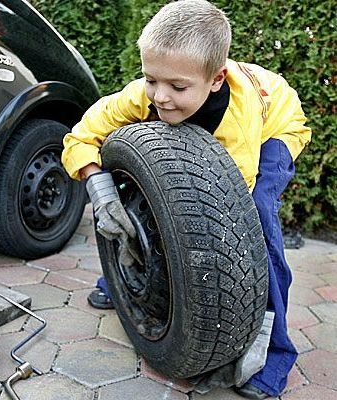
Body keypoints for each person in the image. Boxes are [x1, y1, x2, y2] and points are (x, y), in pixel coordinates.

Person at [61, 1, 311, 399]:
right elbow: (81, 135)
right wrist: (99, 188)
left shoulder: (238, 124)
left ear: (215, 80)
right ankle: (118, 280)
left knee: (259, 225)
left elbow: (227, 227)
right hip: (216, 118)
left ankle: (274, 351)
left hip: (274, 126)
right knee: (145, 187)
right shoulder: (144, 95)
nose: (160, 97)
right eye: (151, 80)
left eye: (177, 87)